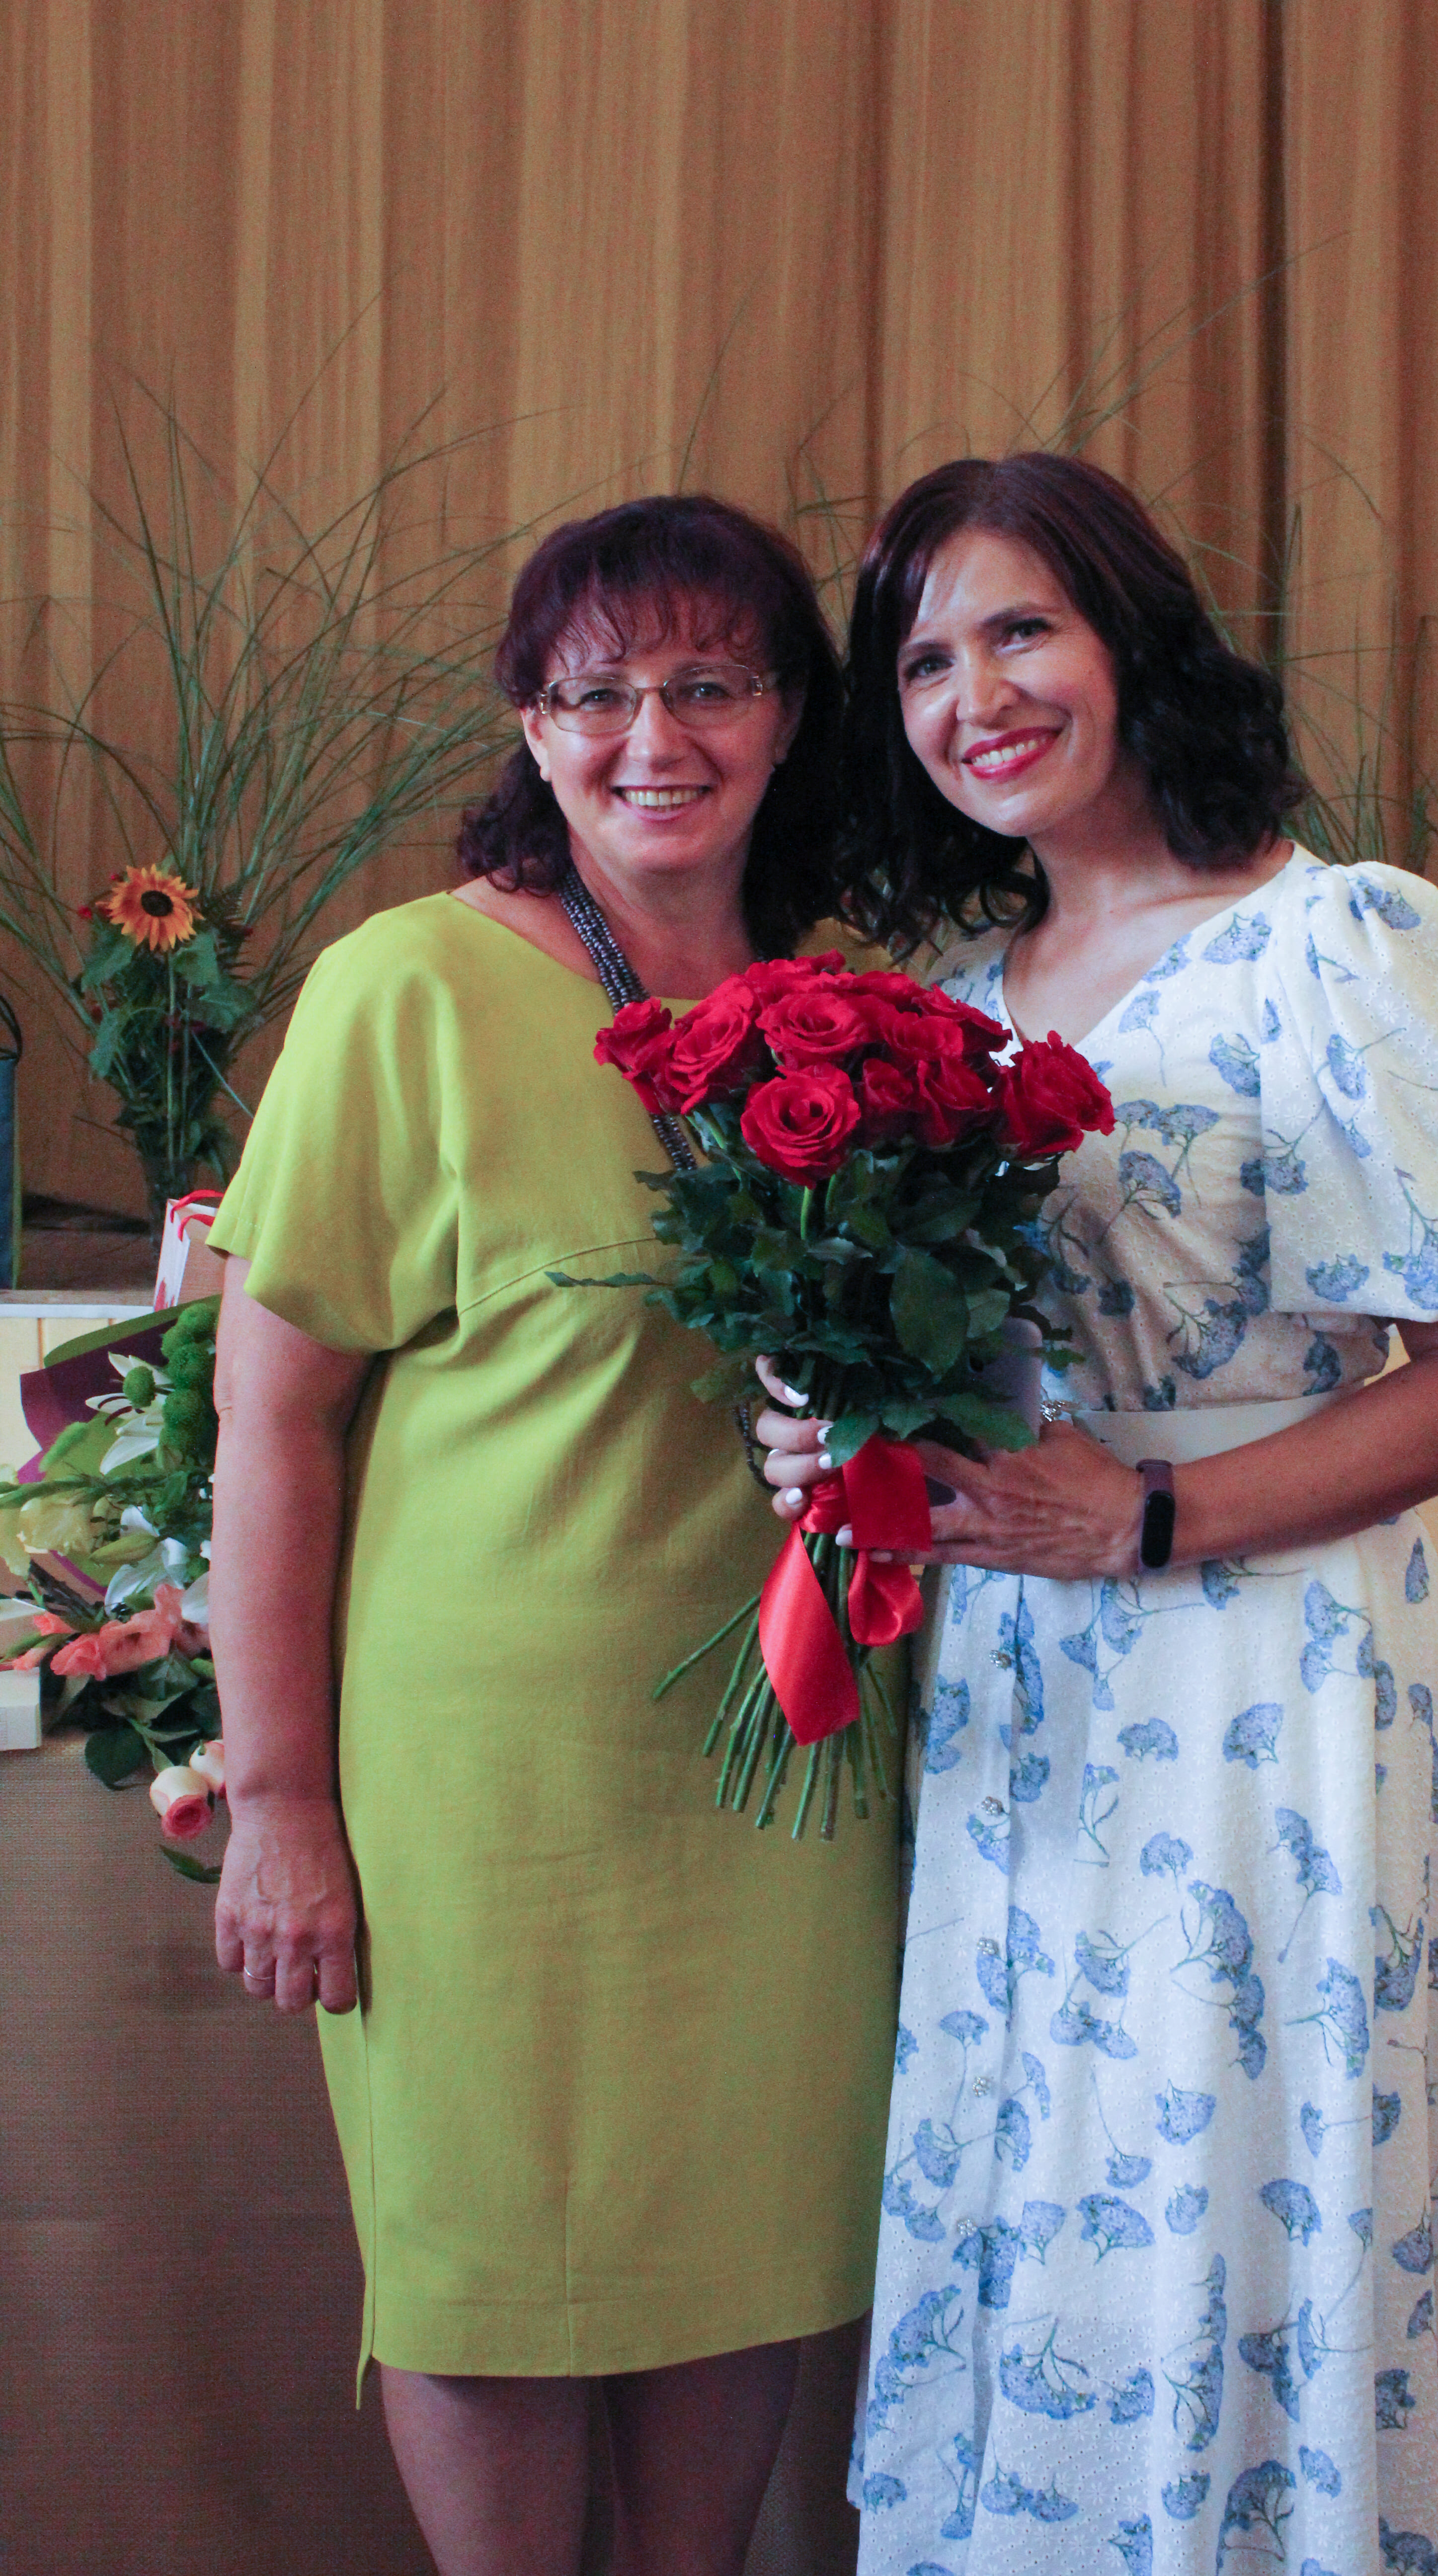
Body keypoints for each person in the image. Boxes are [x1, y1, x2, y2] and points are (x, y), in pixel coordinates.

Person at [759, 452, 1438, 2576]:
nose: (974, 697)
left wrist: (1144, 1519)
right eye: (923, 662)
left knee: (1225, 2180)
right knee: (1046, 2174)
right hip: (1020, 1682)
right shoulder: (950, 988)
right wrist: (845, 1430)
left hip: (1262, 1676)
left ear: (1135, 635)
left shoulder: (1342, 938)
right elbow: (972, 1363)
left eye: (1022, 629)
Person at [206, 495, 900, 2576]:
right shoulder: (406, 987)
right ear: (530, 722)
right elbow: (273, 1419)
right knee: (486, 2265)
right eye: (594, 693)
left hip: (789, 1770)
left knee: (738, 2250)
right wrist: (279, 1799)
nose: (652, 737)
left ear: (792, 713)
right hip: (484, 1788)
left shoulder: (861, 1007)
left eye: (709, 684)